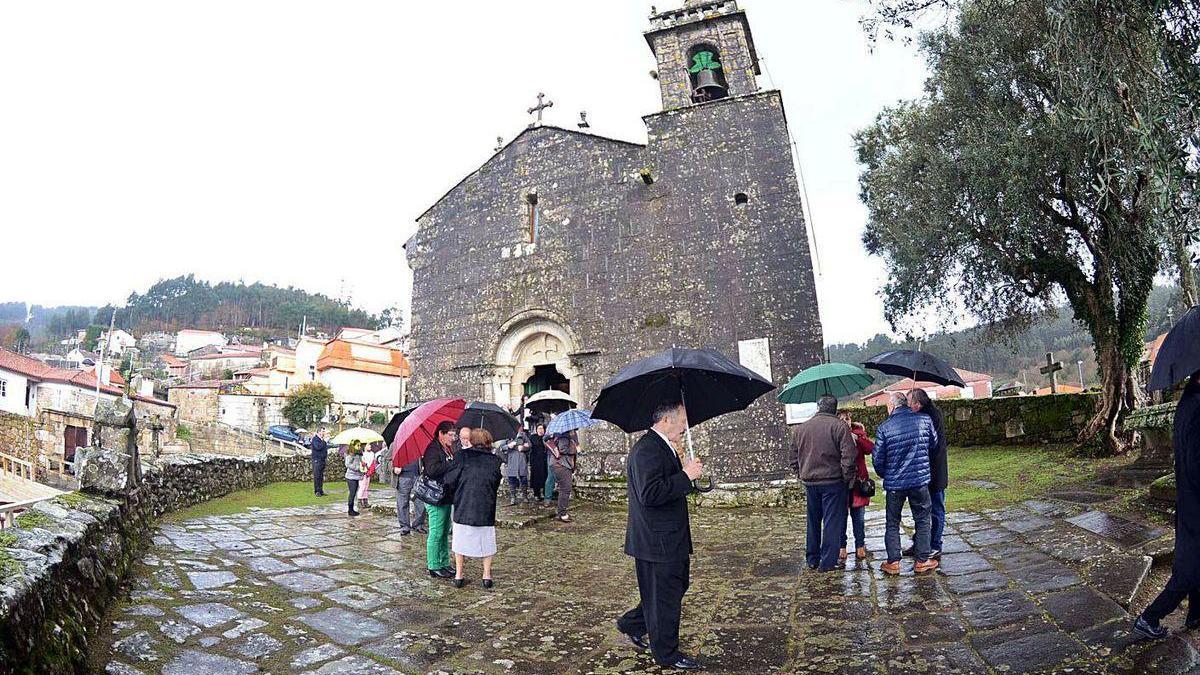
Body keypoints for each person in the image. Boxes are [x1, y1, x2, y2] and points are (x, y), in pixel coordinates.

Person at [616, 400, 704, 671]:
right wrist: (685, 476)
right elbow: (650, 494)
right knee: (665, 597)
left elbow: (667, 487)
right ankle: (666, 654)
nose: (684, 428)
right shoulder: (647, 450)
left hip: (669, 537)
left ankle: (632, 623)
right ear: (666, 421)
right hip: (657, 541)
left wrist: (687, 475)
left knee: (673, 588)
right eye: (682, 422)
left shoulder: (663, 447)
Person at [1134, 373, 1200, 639]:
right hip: (1196, 499)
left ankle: (1196, 613)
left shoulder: (1187, 403)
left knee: (1195, 560)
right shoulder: (1197, 409)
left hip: (1189, 497)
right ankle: (1150, 617)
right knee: (1188, 569)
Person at [873, 392, 939, 575]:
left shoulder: (884, 428)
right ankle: (922, 560)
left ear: (893, 406)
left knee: (892, 522)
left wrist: (887, 475)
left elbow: (877, 460)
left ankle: (893, 562)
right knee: (923, 519)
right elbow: (934, 443)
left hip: (895, 485)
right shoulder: (924, 420)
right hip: (919, 480)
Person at [788, 394, 857, 571]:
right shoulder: (840, 427)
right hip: (833, 482)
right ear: (834, 408)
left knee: (812, 521)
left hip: (810, 482)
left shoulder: (801, 428)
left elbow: (793, 458)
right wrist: (846, 478)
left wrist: (801, 474)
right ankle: (828, 562)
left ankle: (812, 558)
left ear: (818, 407)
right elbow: (849, 457)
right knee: (831, 522)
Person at [443, 428, 503, 589]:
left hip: (464, 503)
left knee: (460, 541)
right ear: (488, 443)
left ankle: (459, 575)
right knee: (486, 541)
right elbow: (496, 482)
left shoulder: (461, 456)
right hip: (486, 505)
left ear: (472, 440)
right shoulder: (495, 460)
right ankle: (486, 575)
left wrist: (455, 493)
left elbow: (450, 480)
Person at [908, 389, 947, 559]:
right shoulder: (925, 414)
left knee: (936, 509)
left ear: (917, 404)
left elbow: (931, 444)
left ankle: (935, 545)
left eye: (910, 402)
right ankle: (920, 543)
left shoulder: (931, 416)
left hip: (934, 471)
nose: (908, 406)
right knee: (921, 511)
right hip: (925, 471)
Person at [422, 422, 459, 579]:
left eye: (453, 434)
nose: (453, 437)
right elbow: (432, 470)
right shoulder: (432, 449)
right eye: (450, 434)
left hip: (444, 496)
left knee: (444, 532)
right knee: (436, 532)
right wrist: (450, 464)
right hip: (434, 497)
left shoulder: (446, 448)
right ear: (441, 434)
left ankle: (444, 562)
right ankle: (433, 565)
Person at [838, 410, 874, 563]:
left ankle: (860, 545)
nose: (845, 421)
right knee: (841, 517)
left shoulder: (857, 432)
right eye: (841, 419)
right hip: (840, 481)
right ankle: (842, 546)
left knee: (858, 516)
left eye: (847, 418)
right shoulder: (834, 435)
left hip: (858, 481)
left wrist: (858, 438)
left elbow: (870, 448)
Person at [393, 436, 429, 536]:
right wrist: (394, 467)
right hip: (403, 477)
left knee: (420, 502)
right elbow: (385, 460)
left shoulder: (418, 443)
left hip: (417, 476)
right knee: (402, 503)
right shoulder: (395, 445)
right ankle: (405, 527)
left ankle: (418, 525)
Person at [549, 429, 579, 522]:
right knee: (565, 488)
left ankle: (561, 511)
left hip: (559, 464)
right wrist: (575, 448)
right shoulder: (564, 436)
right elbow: (563, 449)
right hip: (561, 464)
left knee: (563, 488)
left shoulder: (562, 435)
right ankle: (562, 514)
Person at [500, 428, 532, 505]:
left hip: (521, 459)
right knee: (512, 478)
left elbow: (530, 445)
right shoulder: (507, 435)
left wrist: (524, 448)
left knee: (523, 478)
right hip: (512, 459)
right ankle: (513, 497)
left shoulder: (523, 435)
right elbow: (501, 447)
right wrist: (508, 446)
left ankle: (525, 496)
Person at [529, 423, 549, 503]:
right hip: (535, 461)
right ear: (536, 430)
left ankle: (545, 493)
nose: (540, 430)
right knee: (536, 477)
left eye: (542, 428)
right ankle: (536, 494)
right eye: (539, 428)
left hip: (545, 460)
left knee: (545, 476)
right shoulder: (533, 437)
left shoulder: (547, 438)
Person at [344, 440, 364, 517]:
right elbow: (348, 464)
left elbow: (361, 463)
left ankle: (352, 509)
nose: (359, 447)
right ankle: (350, 509)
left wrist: (364, 466)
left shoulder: (358, 454)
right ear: (353, 446)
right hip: (351, 477)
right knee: (352, 493)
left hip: (356, 476)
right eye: (357, 445)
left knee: (354, 492)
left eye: (360, 445)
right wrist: (357, 467)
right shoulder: (350, 455)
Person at [357, 442, 379, 510]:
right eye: (368, 445)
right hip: (363, 472)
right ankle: (359, 500)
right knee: (362, 486)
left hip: (369, 471)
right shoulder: (362, 454)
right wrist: (365, 467)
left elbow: (373, 462)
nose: (370, 446)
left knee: (366, 486)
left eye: (370, 445)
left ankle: (365, 500)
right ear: (364, 447)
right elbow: (361, 463)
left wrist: (370, 470)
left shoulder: (372, 453)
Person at [310, 428, 329, 497]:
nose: (324, 432)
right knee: (317, 476)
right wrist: (324, 442)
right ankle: (317, 491)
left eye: (324, 431)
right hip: (317, 460)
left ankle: (321, 491)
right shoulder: (315, 439)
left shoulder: (322, 440)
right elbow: (318, 447)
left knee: (321, 476)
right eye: (323, 431)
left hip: (322, 460)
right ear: (319, 432)